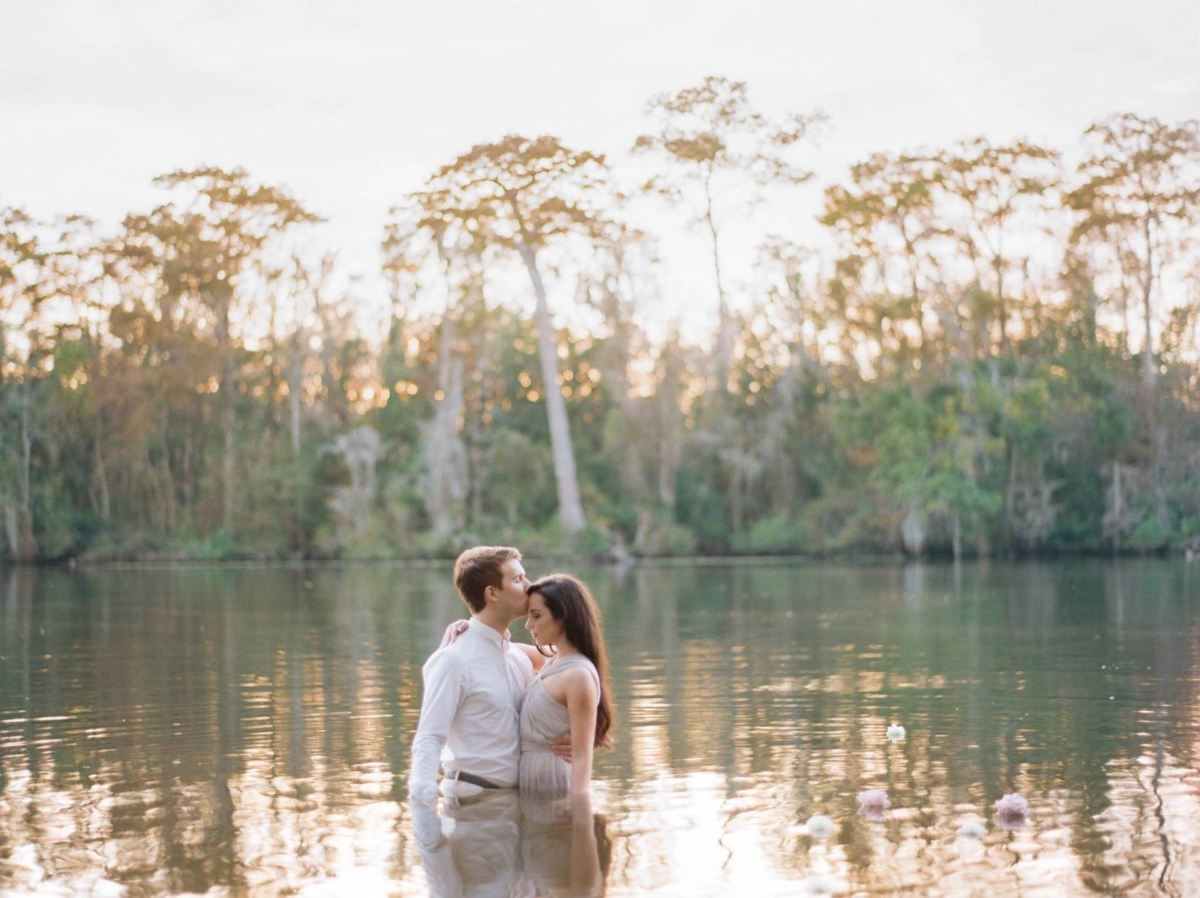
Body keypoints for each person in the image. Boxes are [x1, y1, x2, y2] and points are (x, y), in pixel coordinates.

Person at [408, 545, 549, 805]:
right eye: (518, 580)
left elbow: (574, 665)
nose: (530, 586)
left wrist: (572, 739)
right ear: (492, 593)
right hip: (472, 804)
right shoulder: (454, 659)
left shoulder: (517, 657)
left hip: (518, 806)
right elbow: (429, 739)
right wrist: (426, 827)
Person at [519, 574, 614, 797]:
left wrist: (579, 812)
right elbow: (501, 647)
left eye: (536, 615)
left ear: (562, 617)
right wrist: (467, 628)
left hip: (555, 783)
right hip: (532, 784)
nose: (528, 624)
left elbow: (582, 757)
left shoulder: (577, 675)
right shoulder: (554, 659)